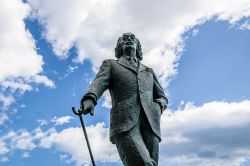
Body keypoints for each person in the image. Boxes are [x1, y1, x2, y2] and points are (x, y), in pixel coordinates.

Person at [80, 32, 168, 166]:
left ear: (137, 46)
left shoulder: (148, 71)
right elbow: (99, 82)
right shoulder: (111, 64)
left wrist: (159, 105)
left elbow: (161, 95)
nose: (128, 40)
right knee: (145, 163)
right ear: (119, 46)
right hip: (124, 122)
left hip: (151, 123)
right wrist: (90, 98)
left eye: (132, 39)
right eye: (124, 39)